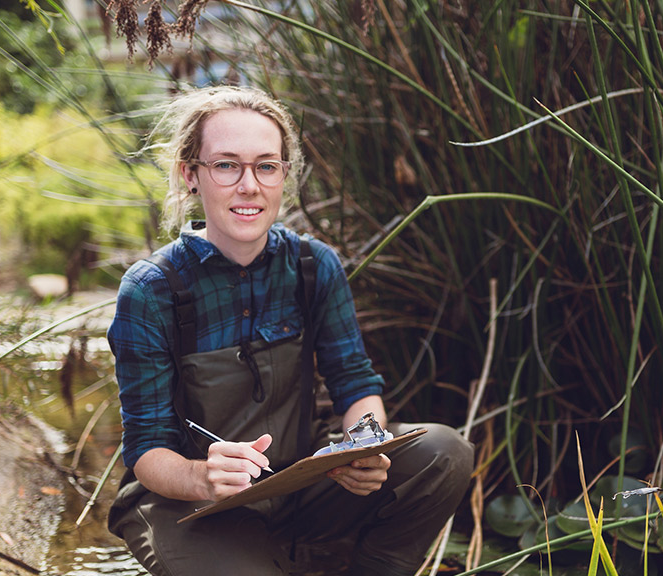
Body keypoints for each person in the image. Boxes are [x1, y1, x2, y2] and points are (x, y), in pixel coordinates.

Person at [106, 85, 474, 576]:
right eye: (226, 165)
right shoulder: (150, 290)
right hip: (190, 507)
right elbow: (146, 449)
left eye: (265, 165)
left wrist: (367, 447)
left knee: (444, 452)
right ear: (190, 174)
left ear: (284, 175)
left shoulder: (313, 265)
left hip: (297, 483)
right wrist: (203, 476)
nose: (248, 185)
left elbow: (355, 384)